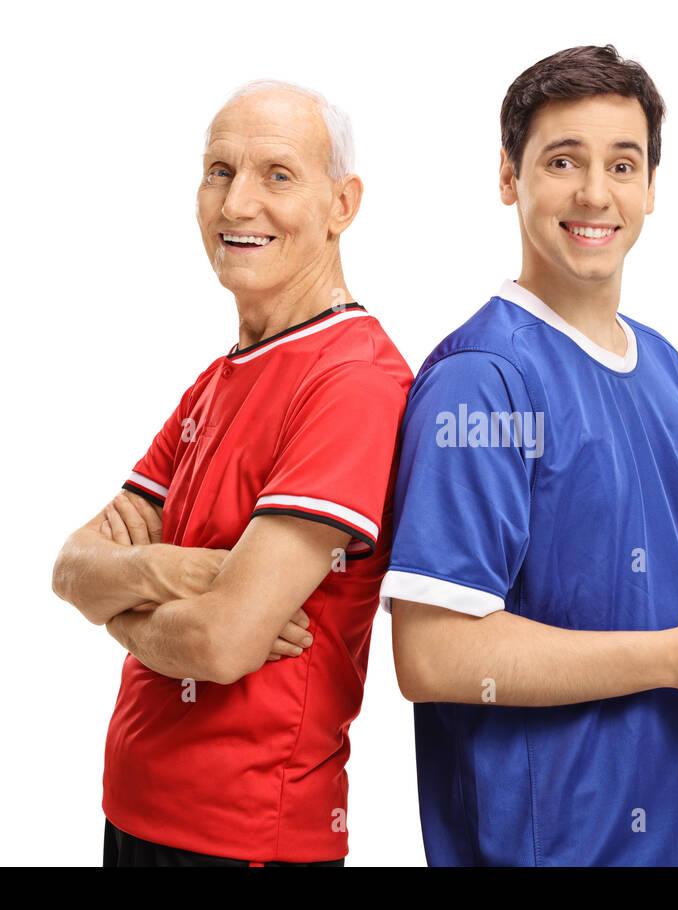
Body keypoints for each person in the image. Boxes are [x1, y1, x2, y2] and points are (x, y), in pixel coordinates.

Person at [381, 45, 678, 866]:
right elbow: (433, 653)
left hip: (673, 836)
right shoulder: (482, 382)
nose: (596, 193)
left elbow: (656, 622)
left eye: (622, 164)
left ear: (651, 188)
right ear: (507, 176)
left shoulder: (665, 367)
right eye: (563, 161)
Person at [51, 80, 412, 866]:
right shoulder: (215, 384)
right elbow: (72, 569)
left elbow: (221, 644)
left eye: (277, 175)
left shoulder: (351, 380)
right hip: (134, 812)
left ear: (342, 204)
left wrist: (124, 608)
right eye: (219, 171)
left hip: (244, 839)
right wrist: (175, 569)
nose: (237, 203)